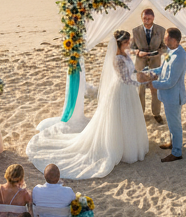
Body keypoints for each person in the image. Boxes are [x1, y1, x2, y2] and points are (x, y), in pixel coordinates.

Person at [26, 31, 150, 178]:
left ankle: (130, 145)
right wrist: (143, 82)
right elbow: (125, 79)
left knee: (129, 118)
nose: (128, 44)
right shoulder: (117, 59)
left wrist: (141, 72)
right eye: (126, 42)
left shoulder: (126, 54)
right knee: (119, 118)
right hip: (121, 91)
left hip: (129, 91)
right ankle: (120, 147)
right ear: (119, 43)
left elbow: (132, 71)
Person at [145, 27, 186, 162]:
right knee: (171, 122)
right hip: (167, 96)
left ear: (174, 40)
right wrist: (151, 72)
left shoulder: (179, 57)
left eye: (167, 38)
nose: (164, 40)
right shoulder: (170, 51)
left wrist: (153, 84)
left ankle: (177, 152)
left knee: (175, 125)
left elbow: (170, 82)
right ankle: (173, 143)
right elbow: (162, 68)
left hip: (174, 97)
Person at [131, 7, 168, 123]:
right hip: (140, 65)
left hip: (155, 64)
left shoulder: (161, 30)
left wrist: (159, 52)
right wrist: (137, 52)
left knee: (155, 89)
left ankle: (156, 113)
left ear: (153, 18)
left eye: (149, 18)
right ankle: (140, 113)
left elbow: (164, 47)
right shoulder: (135, 31)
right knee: (140, 90)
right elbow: (132, 47)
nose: (146, 20)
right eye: (144, 18)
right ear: (141, 18)